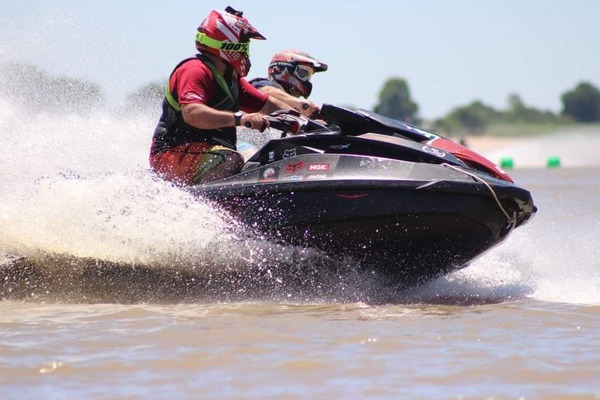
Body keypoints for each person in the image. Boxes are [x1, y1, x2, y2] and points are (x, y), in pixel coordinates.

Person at [149, 7, 293, 185]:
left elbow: (267, 105)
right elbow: (192, 113)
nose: (246, 52)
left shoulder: (231, 79)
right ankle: (203, 207)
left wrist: (308, 120)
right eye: (245, 45)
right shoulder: (195, 70)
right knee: (231, 160)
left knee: (258, 162)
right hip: (172, 154)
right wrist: (240, 119)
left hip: (205, 154)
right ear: (230, 45)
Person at [249, 49, 328, 118]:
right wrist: (301, 104)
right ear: (281, 68)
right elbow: (266, 92)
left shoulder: (293, 108)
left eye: (308, 76)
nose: (306, 80)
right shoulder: (259, 83)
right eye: (303, 73)